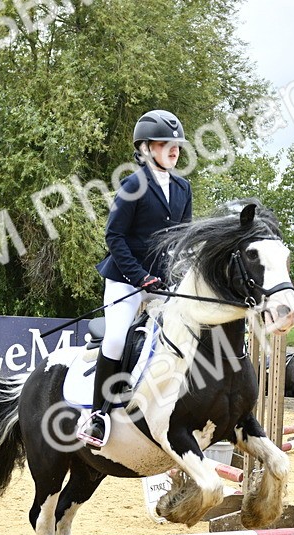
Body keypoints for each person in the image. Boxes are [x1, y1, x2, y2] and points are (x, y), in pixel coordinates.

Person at [78, 110, 193, 448]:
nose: (174, 149)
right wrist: (140, 277)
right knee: (116, 339)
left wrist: (179, 276)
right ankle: (98, 416)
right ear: (145, 148)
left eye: (177, 144)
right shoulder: (133, 185)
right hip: (125, 281)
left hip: (162, 283)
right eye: (165, 144)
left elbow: (181, 240)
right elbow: (114, 237)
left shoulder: (183, 188)